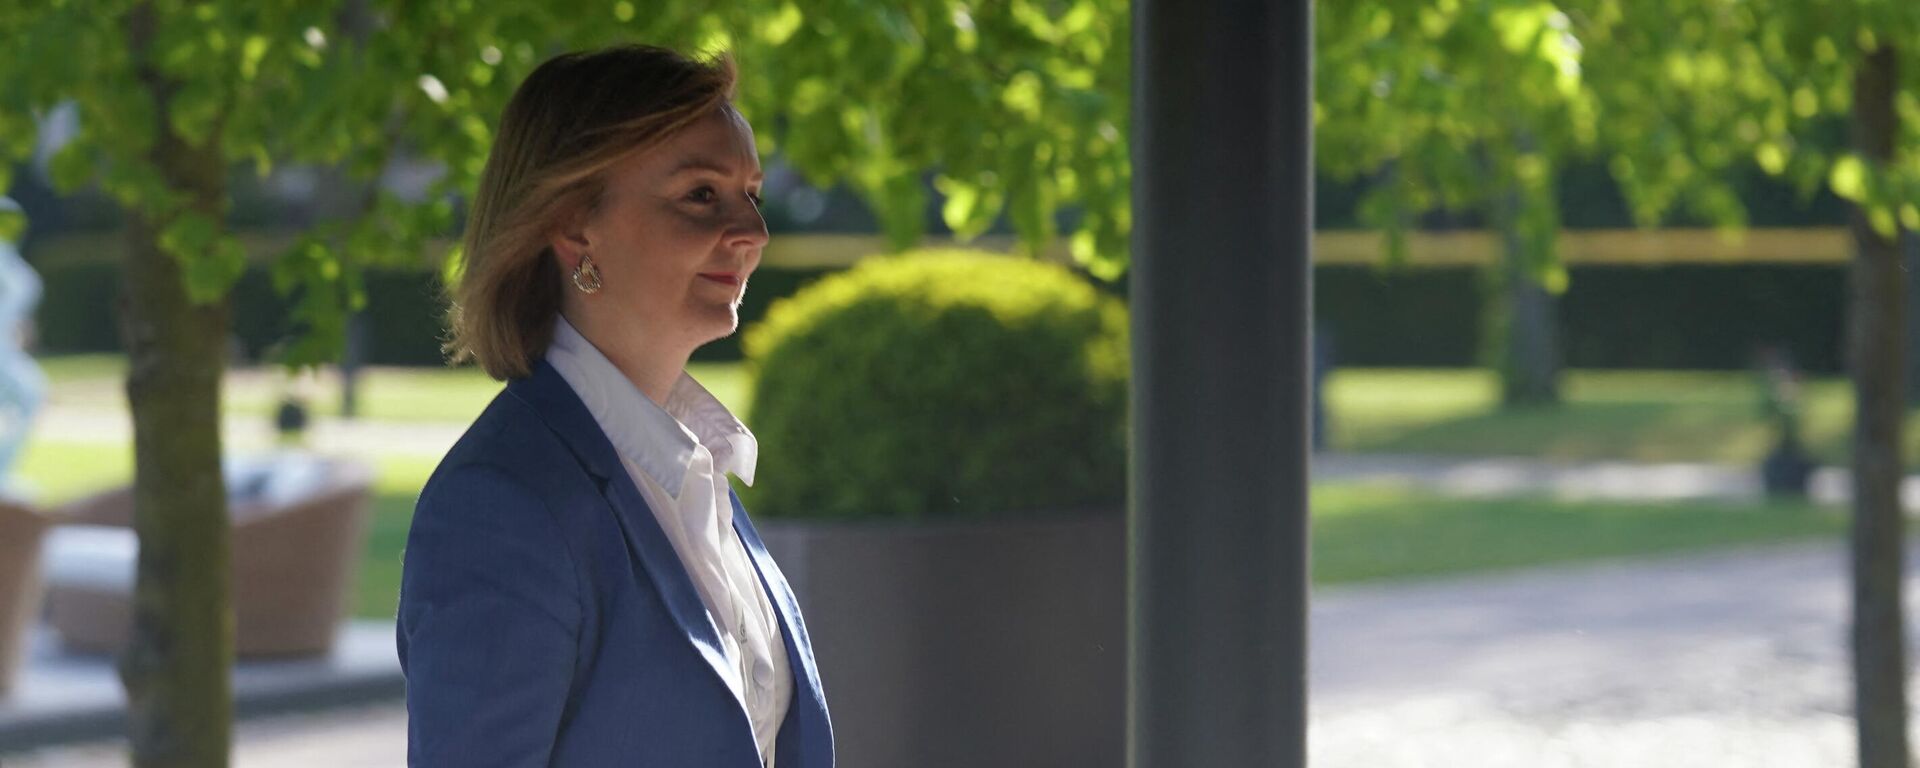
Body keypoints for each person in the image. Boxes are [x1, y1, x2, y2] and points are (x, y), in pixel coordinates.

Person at [396, 45, 832, 767]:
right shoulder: (501, 507)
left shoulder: (699, 473)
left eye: (751, 192)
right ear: (573, 226)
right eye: (702, 195)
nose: (753, 232)